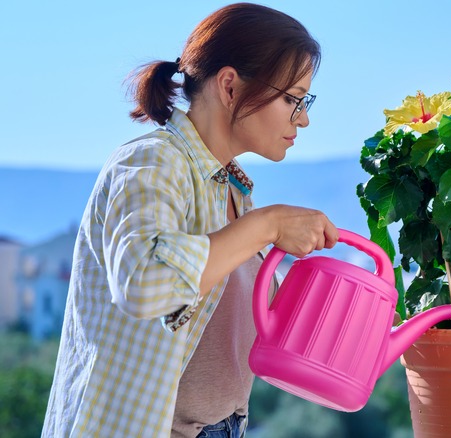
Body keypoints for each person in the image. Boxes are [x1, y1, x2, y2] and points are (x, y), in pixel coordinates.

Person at [42, 3, 339, 436]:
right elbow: (145, 284)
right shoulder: (153, 161)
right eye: (293, 99)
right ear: (230, 86)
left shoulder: (231, 188)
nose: (305, 119)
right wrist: (269, 224)